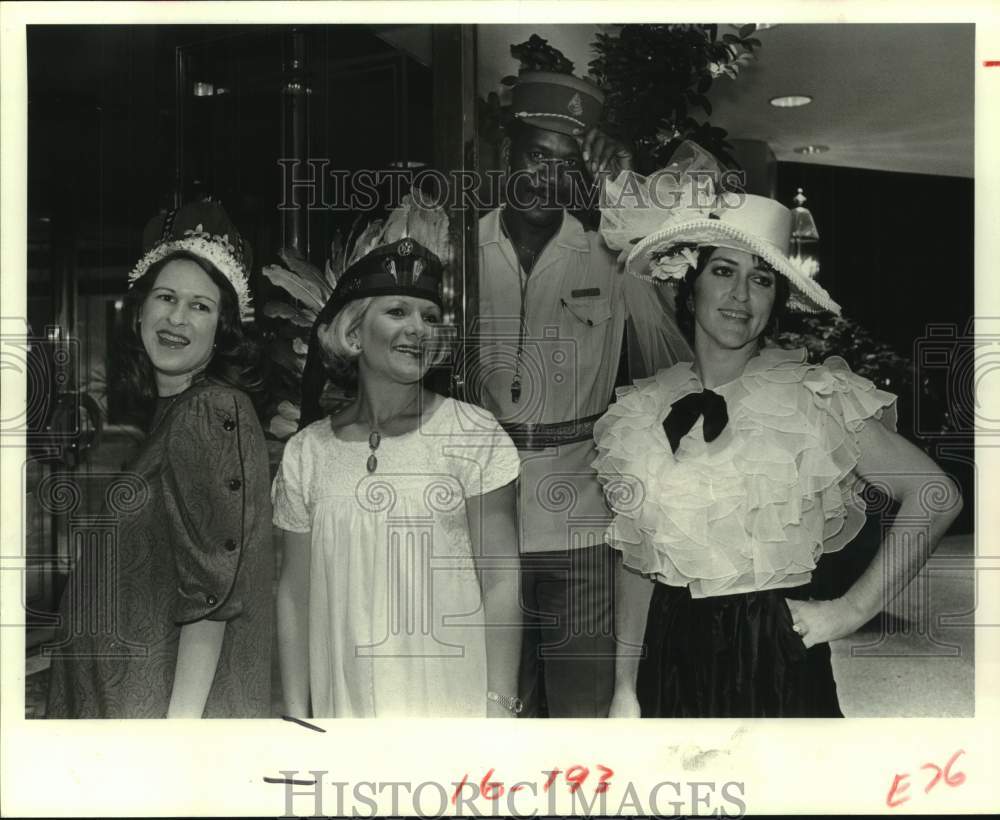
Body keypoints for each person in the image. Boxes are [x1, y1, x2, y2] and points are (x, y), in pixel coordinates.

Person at [593, 193, 963, 717]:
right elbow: (637, 564)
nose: (741, 295)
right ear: (690, 283)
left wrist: (849, 611)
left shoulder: (812, 398)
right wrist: (624, 688)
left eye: (762, 279)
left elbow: (934, 494)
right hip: (667, 656)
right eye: (723, 271)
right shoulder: (642, 412)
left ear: (776, 299)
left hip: (770, 656)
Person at [475, 69, 694, 717]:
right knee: (491, 710)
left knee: (582, 714)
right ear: (504, 153)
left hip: (583, 522)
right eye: (535, 155)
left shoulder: (613, 254)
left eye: (566, 163)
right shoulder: (458, 247)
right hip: (480, 522)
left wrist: (626, 210)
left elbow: (674, 369)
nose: (547, 175)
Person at [275, 238, 523, 718]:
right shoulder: (307, 453)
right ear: (353, 332)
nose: (418, 329)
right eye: (397, 312)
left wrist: (501, 708)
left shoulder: (474, 435)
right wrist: (294, 712)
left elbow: (500, 583)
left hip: (453, 706)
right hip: (343, 708)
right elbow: (295, 595)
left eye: (430, 317)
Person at [46, 200, 274, 718]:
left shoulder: (210, 411)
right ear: (140, 310)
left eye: (201, 306)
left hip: (159, 724)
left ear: (224, 329)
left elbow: (210, 597)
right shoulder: (178, 414)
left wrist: (175, 744)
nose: (177, 317)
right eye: (166, 297)